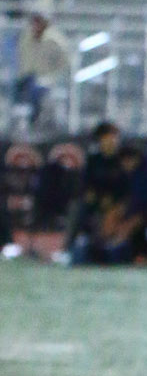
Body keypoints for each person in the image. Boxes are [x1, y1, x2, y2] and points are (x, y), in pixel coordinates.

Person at [53, 121, 127, 264]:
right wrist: (91, 195)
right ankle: (67, 249)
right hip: (95, 202)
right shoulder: (94, 160)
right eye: (106, 137)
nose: (111, 141)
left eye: (113, 137)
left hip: (116, 203)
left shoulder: (122, 160)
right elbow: (86, 183)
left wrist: (113, 200)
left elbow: (126, 186)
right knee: (77, 208)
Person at [13, 14, 72, 131]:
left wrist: (53, 76)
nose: (35, 26)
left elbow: (65, 63)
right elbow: (23, 59)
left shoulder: (55, 41)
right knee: (15, 88)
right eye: (34, 22)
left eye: (38, 22)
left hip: (49, 78)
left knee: (35, 90)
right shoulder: (26, 38)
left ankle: (33, 121)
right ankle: (15, 122)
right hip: (28, 76)